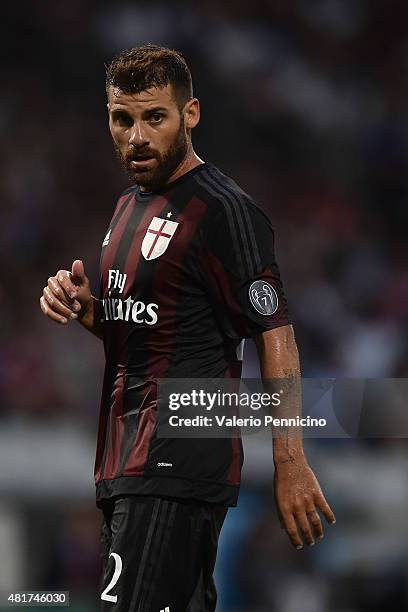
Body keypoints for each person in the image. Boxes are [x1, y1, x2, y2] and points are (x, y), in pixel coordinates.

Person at [39, 44, 335, 612]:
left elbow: (276, 334)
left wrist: (290, 462)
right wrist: (88, 311)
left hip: (173, 463)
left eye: (155, 117)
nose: (136, 137)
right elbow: (151, 328)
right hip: (124, 464)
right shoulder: (128, 204)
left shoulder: (225, 210)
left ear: (190, 114)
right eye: (121, 119)